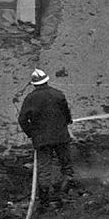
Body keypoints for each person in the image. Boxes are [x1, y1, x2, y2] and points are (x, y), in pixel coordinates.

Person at [17, 68, 76, 201]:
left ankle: (45, 200)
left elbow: (22, 120)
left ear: (34, 84)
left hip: (41, 140)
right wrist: (66, 123)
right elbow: (67, 114)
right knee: (66, 165)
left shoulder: (30, 99)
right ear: (47, 80)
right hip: (61, 136)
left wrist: (31, 134)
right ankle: (65, 193)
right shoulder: (58, 94)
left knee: (44, 169)